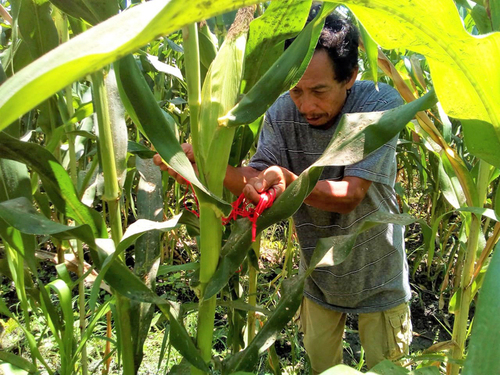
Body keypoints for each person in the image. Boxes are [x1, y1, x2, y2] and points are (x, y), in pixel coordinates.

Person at [154, 8, 412, 374]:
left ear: (351, 76)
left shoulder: (377, 103)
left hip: (378, 279)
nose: (306, 105)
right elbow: (257, 180)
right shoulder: (280, 110)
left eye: (319, 91)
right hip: (318, 279)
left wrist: (292, 183)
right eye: (296, 90)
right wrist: (198, 167)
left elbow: (351, 195)